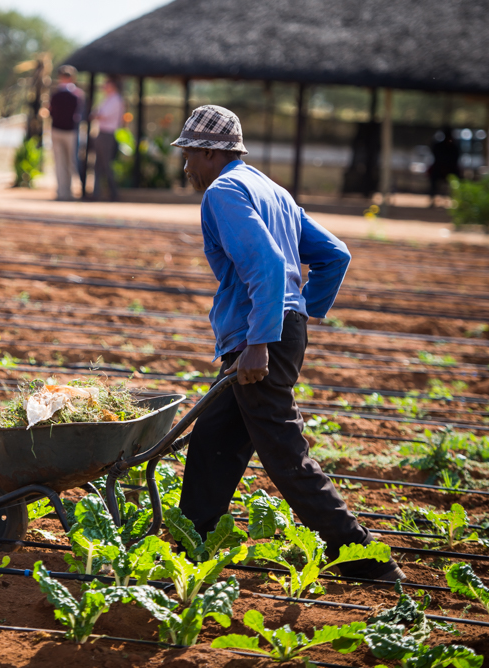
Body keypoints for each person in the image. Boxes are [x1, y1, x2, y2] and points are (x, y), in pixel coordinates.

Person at [171, 105, 405, 583]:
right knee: (214, 438)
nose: (186, 165)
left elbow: (269, 265)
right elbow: (334, 254)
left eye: (189, 154)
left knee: (284, 452)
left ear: (208, 151)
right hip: (276, 327)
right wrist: (302, 312)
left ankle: (366, 560)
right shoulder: (270, 188)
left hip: (258, 336)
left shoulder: (224, 191)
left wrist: (261, 340)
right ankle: (190, 541)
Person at [49, 65, 85, 201]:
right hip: (68, 131)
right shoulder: (77, 95)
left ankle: (63, 192)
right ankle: (65, 192)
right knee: (67, 162)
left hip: (61, 130)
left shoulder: (56, 94)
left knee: (64, 162)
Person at [90, 76, 124, 201]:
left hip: (107, 134)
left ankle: (113, 193)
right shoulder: (108, 99)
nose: (104, 87)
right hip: (101, 132)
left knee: (106, 165)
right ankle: (96, 193)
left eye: (107, 84)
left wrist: (96, 115)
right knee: (98, 165)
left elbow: (101, 114)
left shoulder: (116, 100)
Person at [428, 127, 460, 205]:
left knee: (457, 178)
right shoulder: (438, 146)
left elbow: (456, 160)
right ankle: (432, 198)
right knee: (433, 176)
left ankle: (456, 199)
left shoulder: (454, 147)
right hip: (439, 168)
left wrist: (448, 167)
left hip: (451, 169)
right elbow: (436, 157)